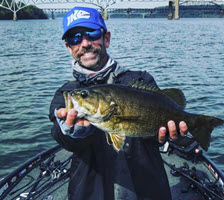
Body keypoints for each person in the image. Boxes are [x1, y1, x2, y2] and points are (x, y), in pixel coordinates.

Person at [49, 7, 188, 200]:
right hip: (92, 191)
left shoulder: (141, 80)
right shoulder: (66, 94)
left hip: (148, 189)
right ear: (69, 47)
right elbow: (61, 135)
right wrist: (72, 132)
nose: (85, 43)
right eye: (75, 38)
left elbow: (154, 132)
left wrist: (170, 136)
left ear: (106, 38)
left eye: (92, 34)